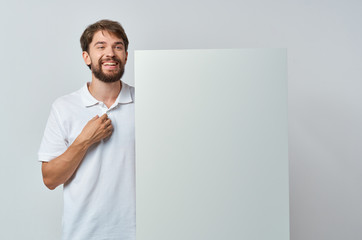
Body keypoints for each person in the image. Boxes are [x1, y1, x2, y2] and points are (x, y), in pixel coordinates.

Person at [38, 19, 135, 240]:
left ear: (126, 56)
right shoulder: (64, 107)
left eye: (117, 46)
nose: (110, 53)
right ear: (86, 57)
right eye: (101, 46)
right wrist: (84, 140)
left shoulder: (147, 102)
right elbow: (50, 179)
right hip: (83, 235)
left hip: (140, 232)